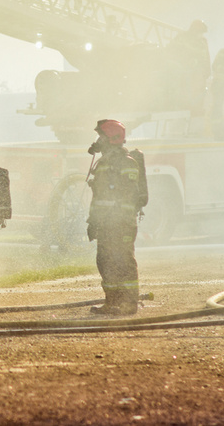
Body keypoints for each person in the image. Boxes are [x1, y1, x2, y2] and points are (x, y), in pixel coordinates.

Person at [85, 119, 148, 316]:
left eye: (101, 137)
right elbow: (100, 197)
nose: (98, 141)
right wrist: (93, 221)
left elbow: (127, 196)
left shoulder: (126, 162)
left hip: (121, 224)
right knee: (105, 261)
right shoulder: (104, 162)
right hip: (105, 224)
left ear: (111, 138)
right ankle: (111, 302)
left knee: (123, 262)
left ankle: (129, 304)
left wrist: (116, 219)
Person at [166, 19, 211, 113]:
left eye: (202, 33)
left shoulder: (203, 41)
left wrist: (207, 71)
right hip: (183, 69)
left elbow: (206, 56)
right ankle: (180, 105)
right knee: (182, 88)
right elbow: (171, 49)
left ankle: (195, 107)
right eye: (200, 32)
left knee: (198, 90)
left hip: (197, 71)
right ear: (194, 30)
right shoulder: (182, 37)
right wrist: (184, 60)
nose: (201, 34)